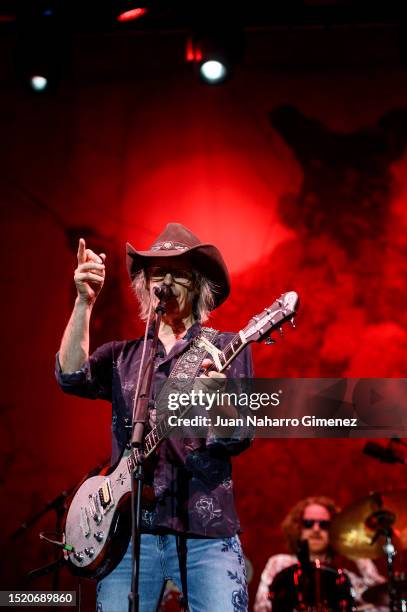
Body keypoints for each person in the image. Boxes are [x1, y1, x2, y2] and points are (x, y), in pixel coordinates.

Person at [55, 223, 253, 612]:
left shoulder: (225, 348)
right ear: (145, 285)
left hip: (204, 533)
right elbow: (70, 376)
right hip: (128, 535)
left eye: (178, 272)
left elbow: (238, 438)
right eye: (157, 272)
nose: (165, 280)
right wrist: (84, 303)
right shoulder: (125, 356)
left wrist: (219, 403)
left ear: (197, 285)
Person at [254, 496, 386, 611]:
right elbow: (261, 607)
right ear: (298, 529)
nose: (316, 529)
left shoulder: (344, 577)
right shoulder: (279, 563)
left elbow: (384, 599)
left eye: (324, 525)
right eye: (309, 523)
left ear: (334, 530)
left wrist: (355, 550)